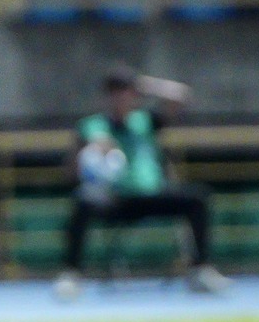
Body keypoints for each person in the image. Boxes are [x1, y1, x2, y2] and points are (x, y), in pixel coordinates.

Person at [55, 67, 230, 300]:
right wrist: (93, 151)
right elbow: (76, 165)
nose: (120, 98)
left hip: (152, 196)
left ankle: (200, 270)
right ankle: (71, 274)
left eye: (125, 92)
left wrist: (145, 84)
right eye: (115, 93)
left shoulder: (145, 120)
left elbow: (181, 95)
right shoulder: (93, 125)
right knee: (82, 201)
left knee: (197, 197)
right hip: (115, 200)